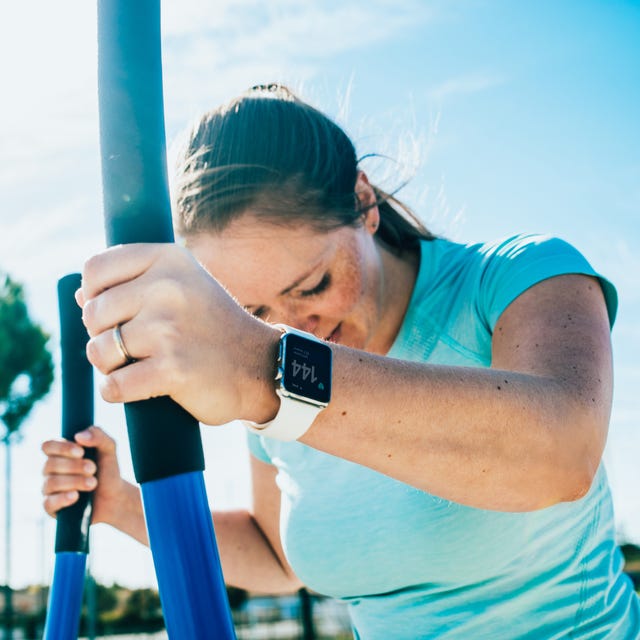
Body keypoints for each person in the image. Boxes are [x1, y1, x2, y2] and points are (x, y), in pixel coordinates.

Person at [42, 84, 639, 638]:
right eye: (252, 312)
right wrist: (119, 501)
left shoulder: (516, 276)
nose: (294, 328)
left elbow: (561, 453)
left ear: (363, 200)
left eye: (313, 284)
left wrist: (266, 369)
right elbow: (278, 556)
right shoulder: (272, 382)